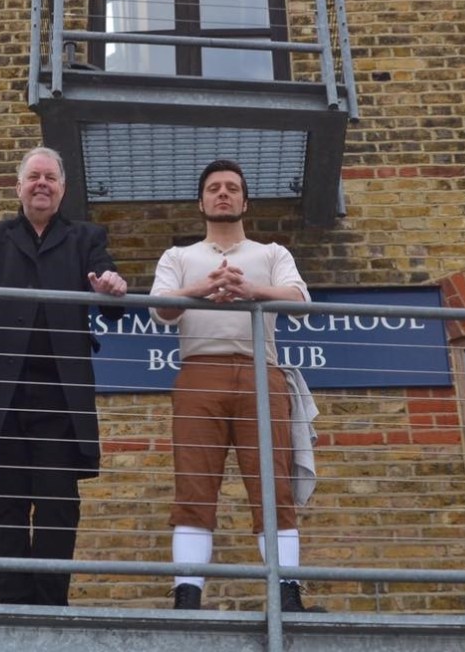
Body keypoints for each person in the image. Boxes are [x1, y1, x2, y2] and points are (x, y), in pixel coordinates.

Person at [0, 146, 127, 606]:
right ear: (19, 186)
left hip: (59, 400)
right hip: (0, 398)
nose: (41, 184)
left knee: (58, 506)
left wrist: (112, 287)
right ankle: (12, 606)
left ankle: (51, 606)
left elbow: (113, 296)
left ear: (62, 189)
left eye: (50, 178)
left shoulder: (86, 237)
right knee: (3, 505)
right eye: (33, 177)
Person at [149, 159, 324, 613]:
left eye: (231, 188)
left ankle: (287, 595)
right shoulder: (178, 256)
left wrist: (251, 290)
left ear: (245, 200)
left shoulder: (271, 253)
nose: (222, 194)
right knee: (193, 486)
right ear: (201, 201)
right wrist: (203, 288)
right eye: (213, 188)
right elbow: (161, 311)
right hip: (199, 373)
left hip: (259, 374)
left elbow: (302, 301)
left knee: (272, 487)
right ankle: (187, 595)